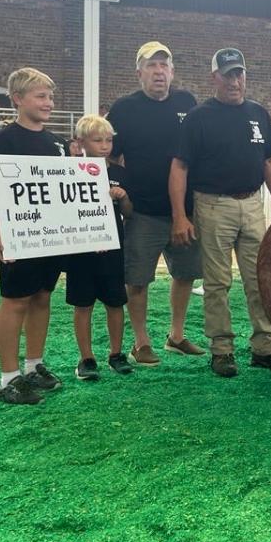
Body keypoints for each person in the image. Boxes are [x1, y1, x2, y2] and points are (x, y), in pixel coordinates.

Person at [169, 47, 271, 378]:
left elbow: (269, 162)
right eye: (228, 74)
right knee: (217, 281)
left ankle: (265, 346)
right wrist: (180, 215)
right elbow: (179, 167)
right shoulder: (198, 117)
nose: (235, 81)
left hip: (252, 203)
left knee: (259, 278)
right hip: (212, 204)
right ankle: (221, 349)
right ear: (215, 78)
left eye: (240, 73)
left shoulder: (258, 113)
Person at [107, 41, 205, 366]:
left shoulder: (187, 102)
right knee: (137, 278)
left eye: (164, 65)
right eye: (151, 66)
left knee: (186, 273)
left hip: (184, 212)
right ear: (139, 73)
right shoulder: (123, 108)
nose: (158, 72)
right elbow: (109, 153)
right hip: (142, 211)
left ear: (173, 72)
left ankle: (176, 336)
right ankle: (141, 342)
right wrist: (118, 190)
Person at [0, 67, 68, 405]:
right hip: (19, 232)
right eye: (40, 96)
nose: (48, 102)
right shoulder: (4, 139)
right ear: (18, 99)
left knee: (43, 295)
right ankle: (8, 377)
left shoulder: (58, 143)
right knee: (15, 300)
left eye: (49, 96)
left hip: (51, 234)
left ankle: (33, 365)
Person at [66, 115, 135, 381]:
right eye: (98, 140)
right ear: (81, 142)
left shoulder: (119, 173)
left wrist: (124, 196)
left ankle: (116, 354)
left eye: (108, 140)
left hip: (112, 248)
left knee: (116, 301)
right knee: (82, 304)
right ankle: (86, 358)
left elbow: (129, 213)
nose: (105, 145)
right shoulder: (67, 171)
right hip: (80, 250)